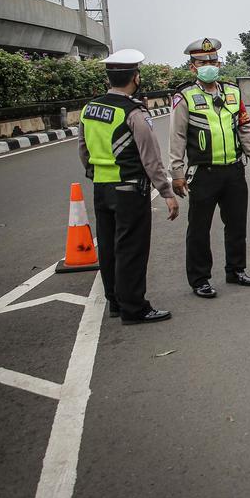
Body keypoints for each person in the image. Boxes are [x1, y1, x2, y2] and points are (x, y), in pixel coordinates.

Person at [80, 49, 179, 324]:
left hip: (102, 188)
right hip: (130, 190)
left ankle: (115, 301)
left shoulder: (90, 109)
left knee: (109, 247)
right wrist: (167, 192)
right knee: (131, 249)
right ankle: (134, 308)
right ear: (135, 77)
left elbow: (83, 150)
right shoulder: (133, 113)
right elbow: (151, 158)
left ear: (109, 78)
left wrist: (97, 173)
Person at [169, 38, 250, 299]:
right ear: (193, 67)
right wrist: (177, 173)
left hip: (233, 170)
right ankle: (200, 279)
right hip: (203, 173)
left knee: (237, 225)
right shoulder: (184, 96)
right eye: (203, 63)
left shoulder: (232, 92)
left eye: (213, 61)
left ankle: (236, 270)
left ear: (219, 64)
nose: (209, 66)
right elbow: (177, 137)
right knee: (199, 229)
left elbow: (244, 128)